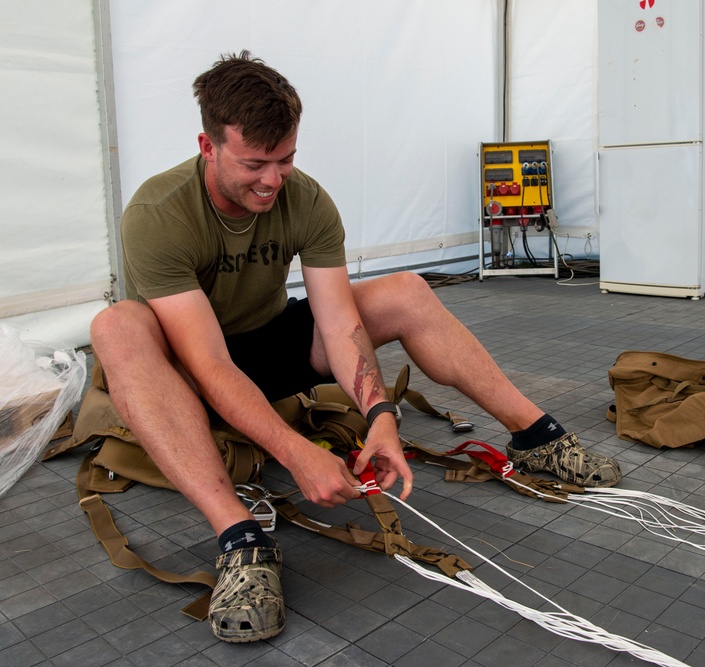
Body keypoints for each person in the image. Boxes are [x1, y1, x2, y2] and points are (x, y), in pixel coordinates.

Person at [89, 50, 621, 644]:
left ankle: (534, 437)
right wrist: (295, 452)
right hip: (187, 371)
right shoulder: (158, 214)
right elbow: (209, 362)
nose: (272, 180)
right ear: (208, 146)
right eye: (255, 164)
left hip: (267, 346)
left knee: (406, 291)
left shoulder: (305, 199)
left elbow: (341, 324)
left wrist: (381, 416)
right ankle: (240, 540)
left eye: (286, 159)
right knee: (116, 326)